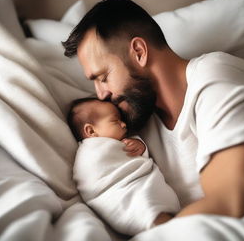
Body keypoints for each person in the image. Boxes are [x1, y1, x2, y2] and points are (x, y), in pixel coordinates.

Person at [62, 0, 244, 234]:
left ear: (139, 52)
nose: (101, 95)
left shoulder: (215, 75)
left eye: (103, 78)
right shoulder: (134, 125)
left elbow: (232, 201)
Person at [67, 97, 180, 235]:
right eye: (115, 121)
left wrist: (140, 146)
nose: (124, 125)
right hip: (119, 195)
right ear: (91, 131)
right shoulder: (88, 152)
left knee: (153, 204)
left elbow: (138, 158)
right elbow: (88, 181)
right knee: (148, 209)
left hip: (141, 184)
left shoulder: (126, 142)